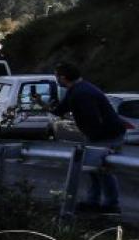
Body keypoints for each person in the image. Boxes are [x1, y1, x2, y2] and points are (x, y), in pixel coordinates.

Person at [53, 62, 126, 215]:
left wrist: (92, 139)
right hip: (102, 134)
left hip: (107, 135)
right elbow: (60, 110)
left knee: (102, 169)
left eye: (57, 76)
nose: (56, 80)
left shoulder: (82, 93)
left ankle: (111, 204)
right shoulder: (76, 89)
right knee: (93, 169)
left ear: (63, 78)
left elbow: (93, 118)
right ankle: (94, 201)